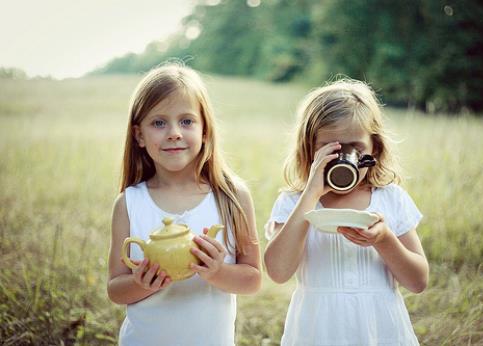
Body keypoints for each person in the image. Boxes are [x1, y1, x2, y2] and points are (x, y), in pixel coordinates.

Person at [264, 79, 429, 345]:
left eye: (355, 148)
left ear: (374, 148)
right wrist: (311, 194)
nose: (343, 159)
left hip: (378, 329)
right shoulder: (293, 202)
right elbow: (278, 272)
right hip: (318, 330)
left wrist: (385, 239)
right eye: (332, 149)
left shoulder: (391, 198)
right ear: (310, 149)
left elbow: (418, 281)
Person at [107, 63, 262, 345]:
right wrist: (140, 283)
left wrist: (218, 271)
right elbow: (116, 289)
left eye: (187, 121)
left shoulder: (231, 196)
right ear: (139, 135)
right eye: (158, 123)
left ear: (205, 130)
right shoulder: (130, 203)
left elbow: (252, 279)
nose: (174, 133)